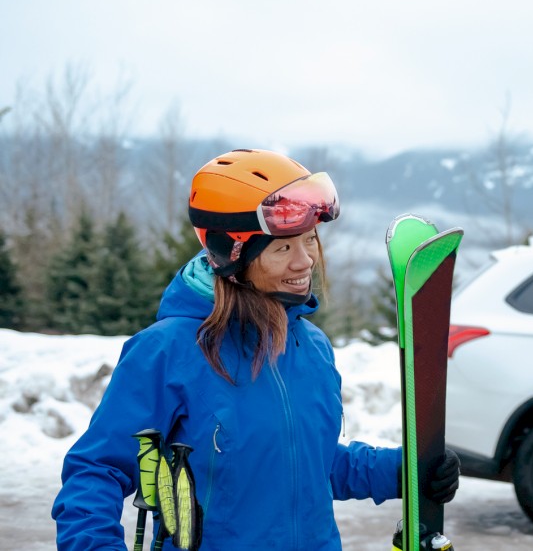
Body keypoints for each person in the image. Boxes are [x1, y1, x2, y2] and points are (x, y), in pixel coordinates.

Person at [52, 148, 459, 550]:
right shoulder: (168, 350)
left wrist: (404, 471)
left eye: (310, 240)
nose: (305, 262)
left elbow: (311, 465)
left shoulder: (311, 346)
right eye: (283, 248)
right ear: (232, 257)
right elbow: (97, 469)